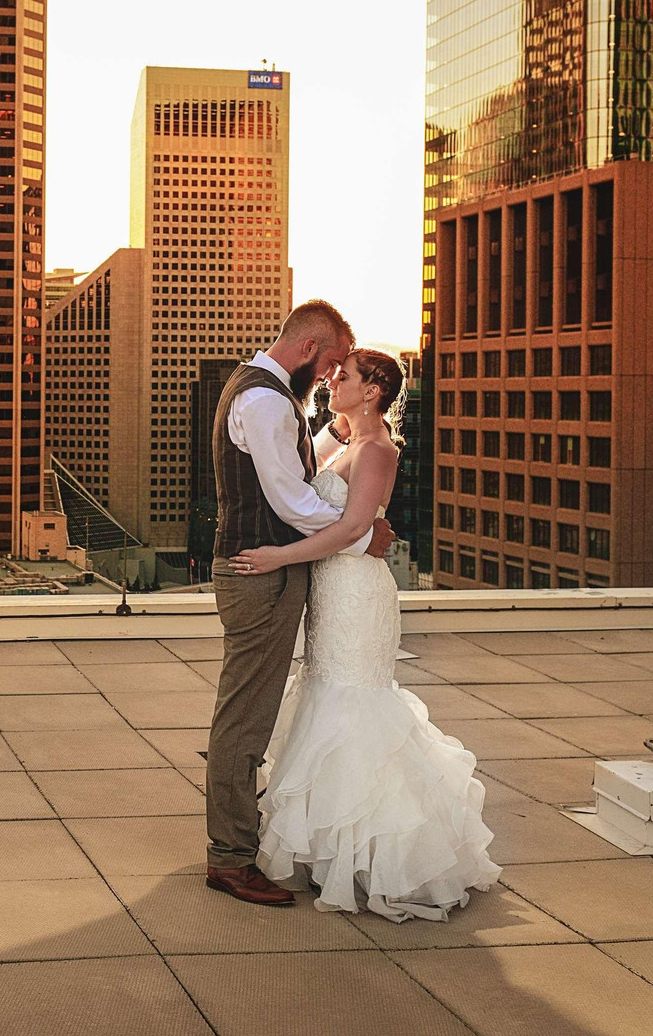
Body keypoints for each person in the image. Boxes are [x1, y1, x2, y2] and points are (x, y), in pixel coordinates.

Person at [232, 347, 499, 920]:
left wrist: (278, 558)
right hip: (333, 590)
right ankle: (334, 852)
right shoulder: (352, 442)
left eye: (344, 376)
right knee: (326, 699)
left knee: (353, 706)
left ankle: (376, 856)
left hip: (356, 593)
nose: (331, 380)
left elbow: (355, 526)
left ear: (373, 389)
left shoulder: (377, 450)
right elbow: (313, 473)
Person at [204, 301, 392, 907]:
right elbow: (289, 499)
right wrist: (363, 533)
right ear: (311, 350)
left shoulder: (271, 395)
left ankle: (243, 847)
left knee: (254, 712)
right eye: (333, 362)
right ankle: (230, 859)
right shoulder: (262, 399)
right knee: (246, 719)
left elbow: (306, 468)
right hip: (260, 573)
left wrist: (347, 432)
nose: (332, 376)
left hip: (276, 573)